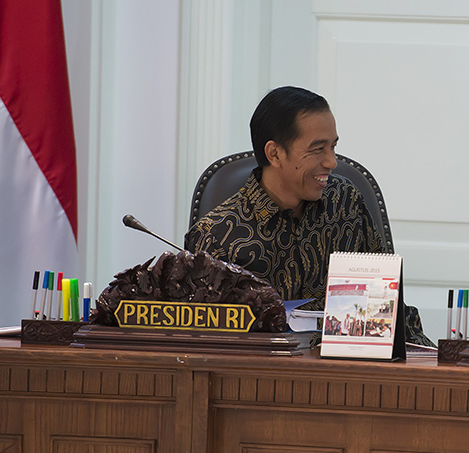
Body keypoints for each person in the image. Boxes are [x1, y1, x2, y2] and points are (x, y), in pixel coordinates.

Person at [185, 86, 432, 345]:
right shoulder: (216, 236)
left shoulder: (345, 202)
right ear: (275, 154)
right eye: (317, 149)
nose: (332, 162)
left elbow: (387, 311)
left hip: (350, 374)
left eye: (333, 147)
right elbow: (204, 344)